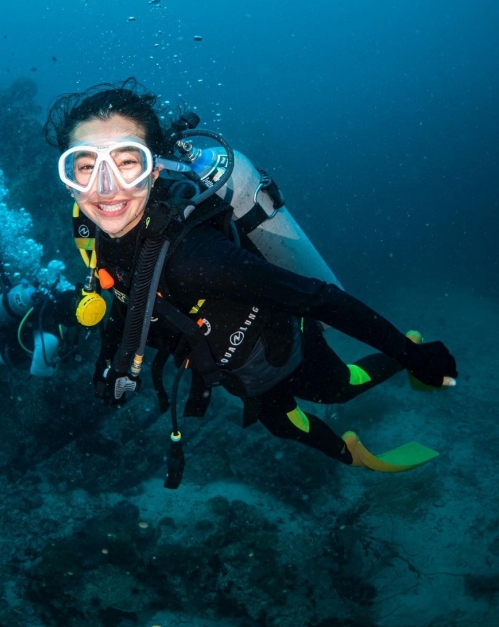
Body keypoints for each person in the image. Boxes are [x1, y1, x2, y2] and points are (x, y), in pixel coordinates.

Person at [43, 79, 458, 486]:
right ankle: (351, 454)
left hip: (278, 342)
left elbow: (317, 297)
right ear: (68, 178)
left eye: (126, 161)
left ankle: (410, 349)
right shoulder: (93, 231)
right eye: (84, 165)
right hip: (231, 364)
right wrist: (107, 361)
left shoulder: (199, 259)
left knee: (338, 389)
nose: (105, 186)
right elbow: (123, 295)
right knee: (281, 425)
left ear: (155, 172)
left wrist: (411, 356)